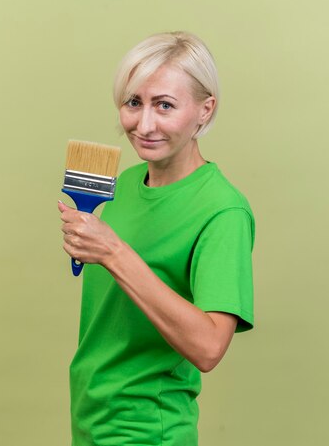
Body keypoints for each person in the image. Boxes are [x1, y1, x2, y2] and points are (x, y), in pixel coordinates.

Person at [58, 31, 255, 446]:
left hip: (149, 431)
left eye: (164, 105)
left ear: (205, 110)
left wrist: (113, 251)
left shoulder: (223, 211)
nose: (143, 125)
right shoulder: (123, 184)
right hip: (91, 419)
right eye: (134, 103)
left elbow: (207, 348)